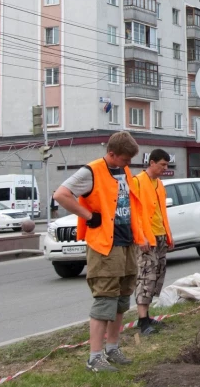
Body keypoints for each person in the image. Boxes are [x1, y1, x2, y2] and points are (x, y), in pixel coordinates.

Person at [53, 131, 146, 373]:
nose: (128, 165)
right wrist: (89, 217)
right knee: (105, 299)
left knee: (121, 300)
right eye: (125, 159)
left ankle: (112, 348)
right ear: (112, 154)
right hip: (105, 246)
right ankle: (94, 357)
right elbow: (61, 194)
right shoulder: (91, 171)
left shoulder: (123, 170)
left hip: (126, 243)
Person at [133, 149, 173, 335]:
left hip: (160, 235)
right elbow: (135, 213)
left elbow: (162, 212)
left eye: (167, 165)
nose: (165, 168)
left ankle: (147, 316)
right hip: (146, 237)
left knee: (157, 274)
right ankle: (142, 320)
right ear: (152, 162)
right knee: (146, 275)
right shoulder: (138, 182)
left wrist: (167, 235)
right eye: (162, 165)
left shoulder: (159, 184)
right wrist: (141, 237)